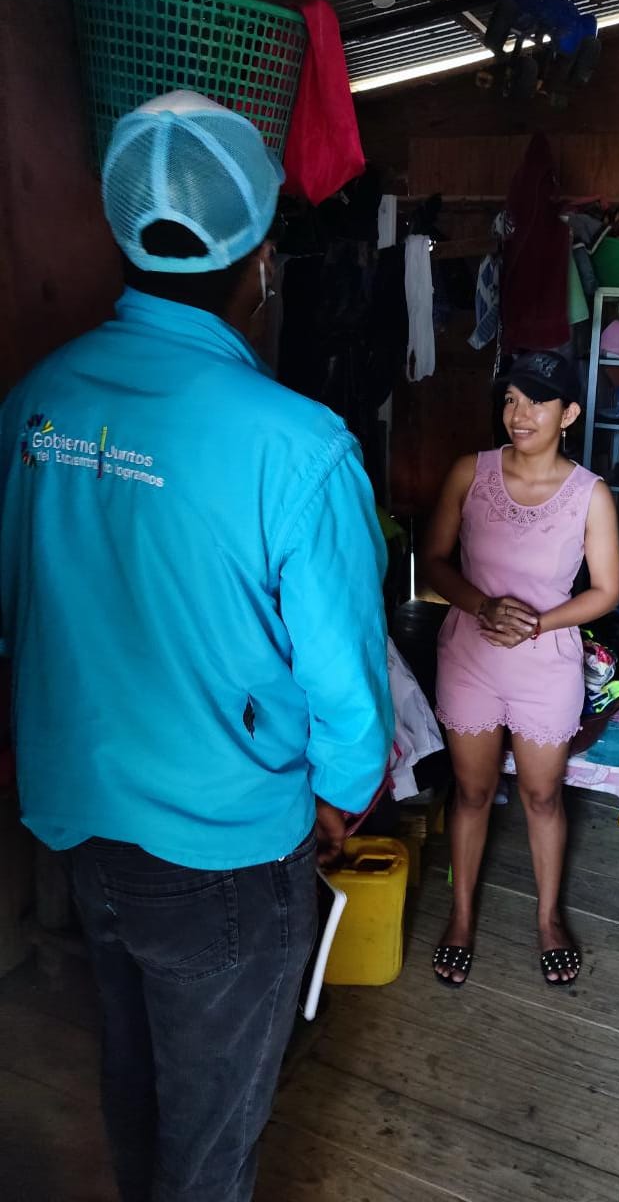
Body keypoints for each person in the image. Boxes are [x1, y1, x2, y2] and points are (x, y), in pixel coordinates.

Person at [0, 92, 393, 1202]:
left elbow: (16, 610)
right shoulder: (299, 448)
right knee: (211, 1138)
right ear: (259, 260)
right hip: (221, 851)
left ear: (124, 237)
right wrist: (340, 797)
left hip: (81, 825)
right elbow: (347, 694)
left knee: (132, 1077)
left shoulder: (36, 403)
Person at [422, 351, 619, 988]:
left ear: (570, 414)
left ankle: (547, 919)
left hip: (547, 663)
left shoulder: (590, 494)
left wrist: (538, 623)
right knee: (472, 792)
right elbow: (434, 559)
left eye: (537, 400)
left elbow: (606, 591)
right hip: (470, 656)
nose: (519, 414)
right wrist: (482, 605)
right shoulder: (470, 472)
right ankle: (460, 918)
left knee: (541, 796)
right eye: (510, 398)